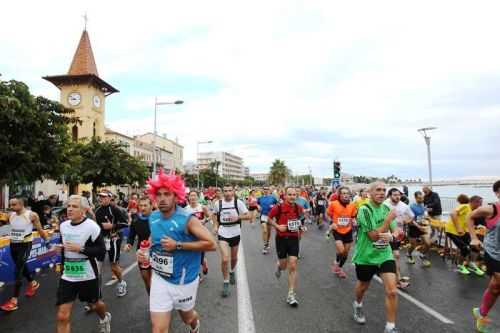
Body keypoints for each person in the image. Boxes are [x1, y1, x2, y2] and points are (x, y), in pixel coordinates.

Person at [137, 170, 216, 333]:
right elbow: (154, 237)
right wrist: (144, 250)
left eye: (167, 194)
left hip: (183, 280)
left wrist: (178, 245)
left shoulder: (187, 219)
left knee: (187, 318)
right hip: (160, 277)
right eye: (158, 194)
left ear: (176, 196)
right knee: (158, 329)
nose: (162, 198)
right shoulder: (153, 217)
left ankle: (195, 325)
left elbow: (211, 244)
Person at [55, 195, 111, 333]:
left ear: (84, 210)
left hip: (88, 274)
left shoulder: (92, 227)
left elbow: (101, 251)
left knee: (95, 304)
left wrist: (80, 249)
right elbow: (65, 246)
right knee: (62, 315)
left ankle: (104, 318)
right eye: (68, 206)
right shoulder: (63, 226)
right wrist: (60, 251)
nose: (70, 209)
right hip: (68, 275)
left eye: (74, 206)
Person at [352, 182, 401, 333]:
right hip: (366, 256)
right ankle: (358, 305)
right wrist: (387, 221)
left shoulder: (387, 208)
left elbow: (397, 231)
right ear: (370, 193)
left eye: (383, 190)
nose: (381, 193)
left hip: (384, 255)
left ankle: (390, 327)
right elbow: (373, 236)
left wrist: (393, 236)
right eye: (378, 190)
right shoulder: (364, 210)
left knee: (392, 291)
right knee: (363, 287)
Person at [0, 196, 49, 312]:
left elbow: (40, 229)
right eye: (10, 204)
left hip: (25, 245)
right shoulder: (10, 215)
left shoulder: (31, 215)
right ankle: (33, 283)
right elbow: (4, 226)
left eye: (14, 205)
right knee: (22, 266)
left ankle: (14, 300)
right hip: (13, 245)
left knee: (18, 270)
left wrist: (46, 241)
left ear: (21, 204)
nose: (11, 207)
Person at [468, 180, 500, 333]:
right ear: (497, 193)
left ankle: (480, 313)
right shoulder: (491, 209)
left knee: (495, 287)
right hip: (494, 252)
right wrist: (473, 237)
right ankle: (482, 315)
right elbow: (470, 216)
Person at [211, 184, 250, 297]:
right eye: (225, 191)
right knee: (224, 259)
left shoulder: (238, 203)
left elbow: (248, 216)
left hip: (235, 232)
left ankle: (232, 271)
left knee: (234, 258)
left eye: (229, 191)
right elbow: (214, 215)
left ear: (233, 192)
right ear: (223, 192)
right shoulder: (218, 203)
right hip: (223, 232)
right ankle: (225, 282)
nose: (227, 193)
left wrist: (238, 217)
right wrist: (215, 226)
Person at [268, 187, 304, 307]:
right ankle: (279, 266)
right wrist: (277, 226)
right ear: (284, 195)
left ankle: (291, 294)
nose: (292, 197)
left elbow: (300, 220)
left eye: (294, 194)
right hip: (281, 239)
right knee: (284, 266)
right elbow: (268, 219)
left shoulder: (298, 208)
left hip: (294, 238)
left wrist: (301, 227)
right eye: (290, 194)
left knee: (293, 265)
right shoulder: (278, 207)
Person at [95, 190, 129, 297]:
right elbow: (95, 226)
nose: (102, 199)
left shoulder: (114, 209)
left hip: (113, 239)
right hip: (101, 241)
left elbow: (125, 223)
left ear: (110, 198)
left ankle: (122, 282)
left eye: (104, 197)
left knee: (113, 266)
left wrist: (112, 226)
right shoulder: (97, 211)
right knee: (97, 267)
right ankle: (96, 294)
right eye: (100, 197)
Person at [445, 194, 483, 275]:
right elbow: (453, 214)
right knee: (464, 249)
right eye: (480, 203)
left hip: (463, 231)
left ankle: (471, 264)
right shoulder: (466, 206)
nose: (481, 205)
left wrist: (475, 228)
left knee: (476, 246)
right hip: (452, 230)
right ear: (473, 202)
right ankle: (460, 266)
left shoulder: (473, 211)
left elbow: (467, 222)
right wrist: (458, 227)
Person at [384, 188, 414, 289]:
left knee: (392, 256)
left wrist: (406, 221)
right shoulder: (385, 205)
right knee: (395, 255)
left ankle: (391, 275)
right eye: (394, 195)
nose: (397, 197)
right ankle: (398, 281)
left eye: (399, 195)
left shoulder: (404, 206)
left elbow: (411, 217)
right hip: (385, 234)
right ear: (389, 196)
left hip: (397, 235)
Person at [326, 186, 357, 278]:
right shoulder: (334, 204)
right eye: (343, 193)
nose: (345, 195)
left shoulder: (352, 205)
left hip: (348, 231)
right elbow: (327, 215)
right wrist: (331, 223)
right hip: (337, 230)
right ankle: (336, 262)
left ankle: (339, 267)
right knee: (341, 250)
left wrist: (354, 220)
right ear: (339, 195)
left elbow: (353, 217)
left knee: (345, 253)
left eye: (347, 193)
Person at [125, 196, 153, 294]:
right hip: (142, 252)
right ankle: (152, 299)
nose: (142, 208)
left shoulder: (157, 218)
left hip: (156, 252)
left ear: (151, 206)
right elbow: (131, 234)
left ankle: (160, 302)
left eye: (145, 205)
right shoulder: (136, 218)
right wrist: (129, 243)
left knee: (157, 279)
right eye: (140, 205)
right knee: (146, 278)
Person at [184, 191, 212, 282]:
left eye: (194, 196)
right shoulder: (185, 209)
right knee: (191, 256)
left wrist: (204, 220)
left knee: (200, 257)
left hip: (201, 235)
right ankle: (198, 275)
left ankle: (204, 263)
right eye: (191, 196)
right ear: (188, 198)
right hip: (190, 236)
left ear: (197, 197)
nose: (192, 198)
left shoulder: (202, 207)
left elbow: (210, 216)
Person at [407, 191, 432, 267]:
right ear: (415, 198)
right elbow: (411, 220)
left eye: (422, 198)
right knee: (413, 245)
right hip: (413, 227)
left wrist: (427, 218)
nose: (421, 199)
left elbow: (423, 216)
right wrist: (418, 226)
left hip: (422, 227)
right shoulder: (411, 207)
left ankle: (422, 255)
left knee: (428, 244)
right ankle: (409, 254)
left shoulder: (423, 205)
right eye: (419, 198)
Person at [257, 186, 278, 254]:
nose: (266, 190)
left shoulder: (273, 198)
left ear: (269, 190)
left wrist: (274, 207)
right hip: (263, 216)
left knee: (268, 232)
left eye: (267, 189)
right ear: (262, 190)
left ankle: (267, 242)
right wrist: (258, 206)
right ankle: (265, 246)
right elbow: (257, 204)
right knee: (265, 230)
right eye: (264, 189)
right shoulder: (260, 198)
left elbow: (277, 204)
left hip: (270, 217)